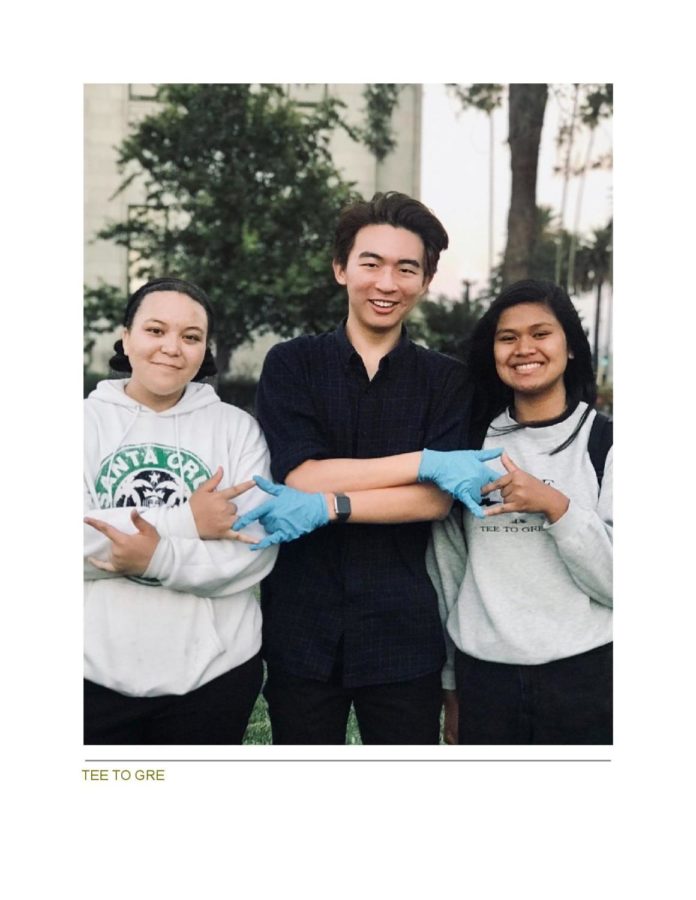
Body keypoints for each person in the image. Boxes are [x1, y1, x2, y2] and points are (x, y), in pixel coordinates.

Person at [231, 192, 501, 745]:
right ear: (341, 268)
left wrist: (337, 500)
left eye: (407, 268)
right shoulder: (292, 363)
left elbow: (432, 501)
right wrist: (423, 462)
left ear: (425, 280)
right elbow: (302, 476)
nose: (386, 283)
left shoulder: (446, 380)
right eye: (370, 263)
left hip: (402, 631)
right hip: (302, 629)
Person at [83, 277, 278, 744]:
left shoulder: (238, 430)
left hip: (215, 675)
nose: (172, 347)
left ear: (204, 349)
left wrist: (157, 558)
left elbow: (254, 548)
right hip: (89, 673)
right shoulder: (78, 425)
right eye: (155, 330)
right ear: (126, 337)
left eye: (190, 337)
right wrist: (188, 522)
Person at [426, 279, 613, 744]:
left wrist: (554, 505)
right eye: (507, 338)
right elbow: (448, 569)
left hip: (586, 676)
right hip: (485, 678)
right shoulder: (469, 445)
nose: (523, 348)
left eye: (540, 333)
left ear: (570, 346)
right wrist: (451, 686)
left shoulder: (606, 443)